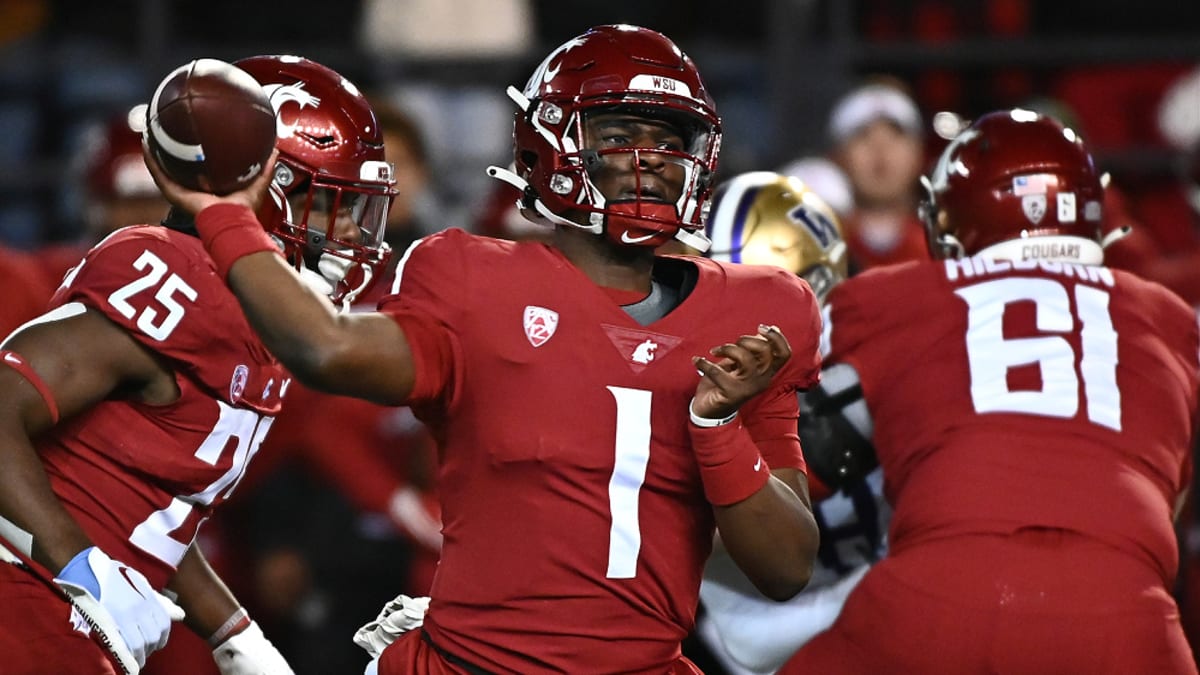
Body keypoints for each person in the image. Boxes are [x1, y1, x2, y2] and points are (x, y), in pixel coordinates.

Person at [146, 25, 825, 675]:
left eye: (667, 137)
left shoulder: (760, 312)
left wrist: (717, 426)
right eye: (619, 135)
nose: (648, 159)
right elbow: (327, 348)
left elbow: (786, 567)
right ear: (552, 146)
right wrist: (225, 213)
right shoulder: (474, 280)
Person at [0, 53, 396, 675]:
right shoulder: (180, 274)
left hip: (70, 617)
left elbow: (153, 506)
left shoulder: (245, 309)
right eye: (332, 205)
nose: (350, 234)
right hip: (28, 610)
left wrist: (237, 637)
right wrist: (81, 568)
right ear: (271, 190)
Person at [777, 109, 1200, 674]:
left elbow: (794, 458)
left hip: (940, 592)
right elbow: (1165, 504)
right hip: (1125, 610)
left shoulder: (891, 299)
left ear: (956, 213)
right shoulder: (1170, 320)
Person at [697, 171, 887, 675]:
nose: (718, 323)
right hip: (734, 636)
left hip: (880, 607)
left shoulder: (880, 360)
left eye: (743, 296)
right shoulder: (689, 383)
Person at [827, 77, 931, 273]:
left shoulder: (943, 249)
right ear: (837, 157)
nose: (880, 149)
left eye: (896, 135)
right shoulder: (820, 252)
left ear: (919, 153)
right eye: (863, 135)